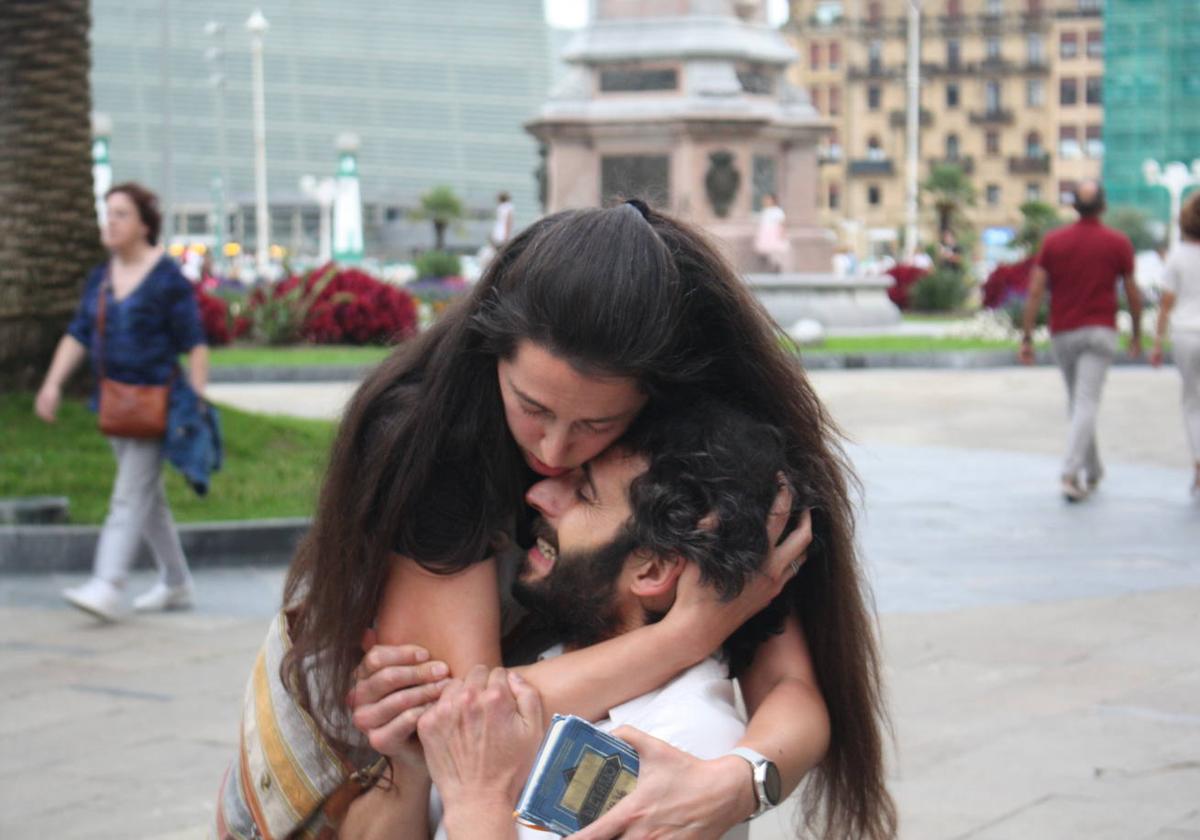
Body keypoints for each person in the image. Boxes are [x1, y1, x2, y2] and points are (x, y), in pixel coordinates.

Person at [218, 201, 889, 840]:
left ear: (653, 399)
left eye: (597, 425)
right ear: (493, 358)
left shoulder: (683, 448)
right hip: (337, 795)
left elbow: (791, 689)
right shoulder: (429, 437)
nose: (552, 452)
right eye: (531, 406)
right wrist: (691, 632)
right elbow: (463, 723)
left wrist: (737, 783)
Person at [347, 401, 895, 840]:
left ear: (654, 567)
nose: (538, 493)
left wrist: (477, 800)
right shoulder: (558, 660)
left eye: (583, 492)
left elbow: (790, 688)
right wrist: (412, 771)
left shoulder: (680, 747)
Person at [34, 182, 209, 619]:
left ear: (144, 224)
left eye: (121, 214)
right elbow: (79, 333)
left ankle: (107, 584)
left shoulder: (166, 278)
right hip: (114, 402)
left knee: (130, 495)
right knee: (147, 500)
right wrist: (53, 383)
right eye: (108, 212)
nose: (110, 222)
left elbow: (196, 343)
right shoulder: (101, 277)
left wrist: (199, 401)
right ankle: (176, 581)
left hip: (156, 405)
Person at [1019, 180, 1143, 502]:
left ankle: (1092, 469)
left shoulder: (1054, 242)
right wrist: (1138, 333)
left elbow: (1035, 291)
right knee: (1084, 402)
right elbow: (1132, 291)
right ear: (1103, 206)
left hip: (1064, 331)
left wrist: (1028, 334)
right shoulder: (1117, 243)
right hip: (1101, 330)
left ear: (1073, 206)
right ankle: (1073, 473)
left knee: (1079, 401)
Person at [1151, 190, 1200, 496]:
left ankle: (1198, 464)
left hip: (1186, 334)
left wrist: (1156, 343)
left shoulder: (1178, 256)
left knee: (1193, 402)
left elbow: (1166, 304)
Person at [753, 193, 790, 273]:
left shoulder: (777, 211)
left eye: (768, 200)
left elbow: (782, 222)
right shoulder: (765, 211)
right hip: (765, 233)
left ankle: (776, 265)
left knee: (774, 250)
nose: (766, 202)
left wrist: (782, 233)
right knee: (765, 250)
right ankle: (769, 266)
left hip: (773, 233)